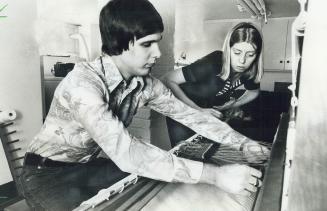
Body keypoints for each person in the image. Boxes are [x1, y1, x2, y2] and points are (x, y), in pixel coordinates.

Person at [18, 2, 268, 210]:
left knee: (155, 192)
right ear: (119, 43)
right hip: (45, 176)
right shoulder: (82, 84)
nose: (158, 53)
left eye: (157, 42)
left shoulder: (146, 84)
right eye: (147, 44)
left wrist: (243, 143)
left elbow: (193, 117)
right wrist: (217, 175)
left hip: (89, 166)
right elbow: (127, 153)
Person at [162, 22, 264, 146]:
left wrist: (233, 105)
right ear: (228, 49)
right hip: (183, 110)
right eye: (237, 53)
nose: (242, 61)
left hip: (206, 111)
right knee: (186, 152)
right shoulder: (213, 62)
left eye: (250, 55)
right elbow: (167, 79)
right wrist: (198, 110)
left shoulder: (249, 71)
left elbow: (254, 91)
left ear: (257, 55)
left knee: (205, 151)